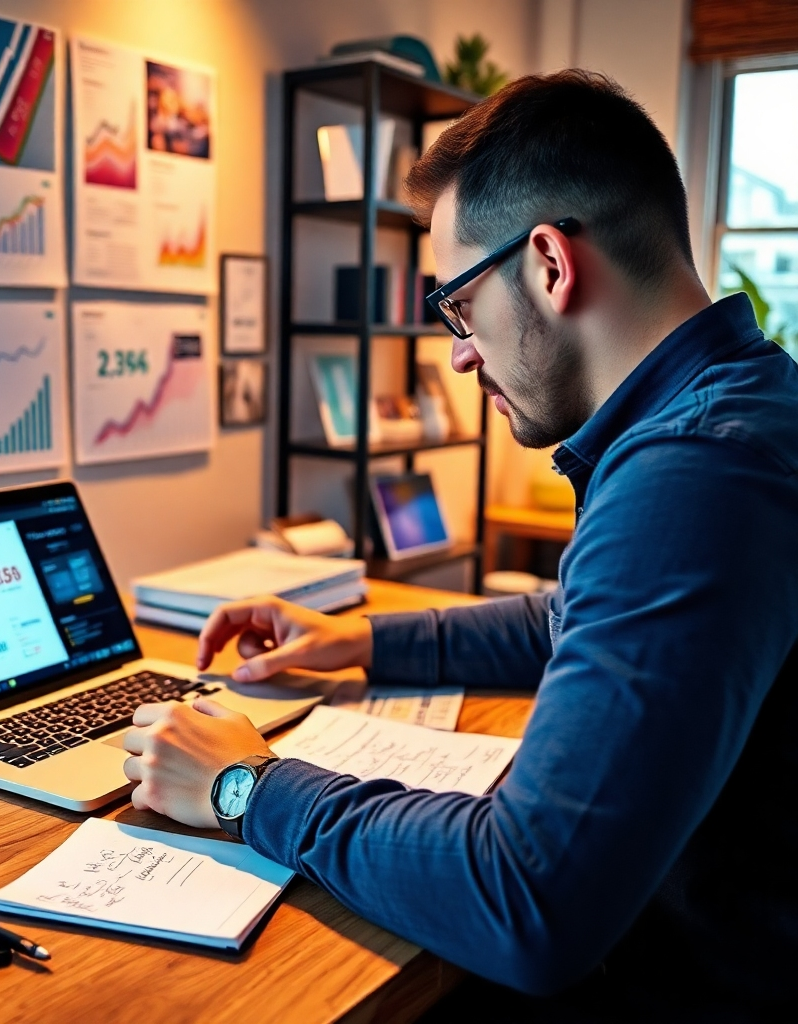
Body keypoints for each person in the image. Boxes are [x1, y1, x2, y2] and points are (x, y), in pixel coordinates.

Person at [123, 70, 798, 1021]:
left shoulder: (695, 474)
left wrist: (247, 786)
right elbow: (584, 612)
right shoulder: (741, 405)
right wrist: (361, 645)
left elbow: (528, 898)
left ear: (551, 264)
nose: (459, 352)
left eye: (458, 304)